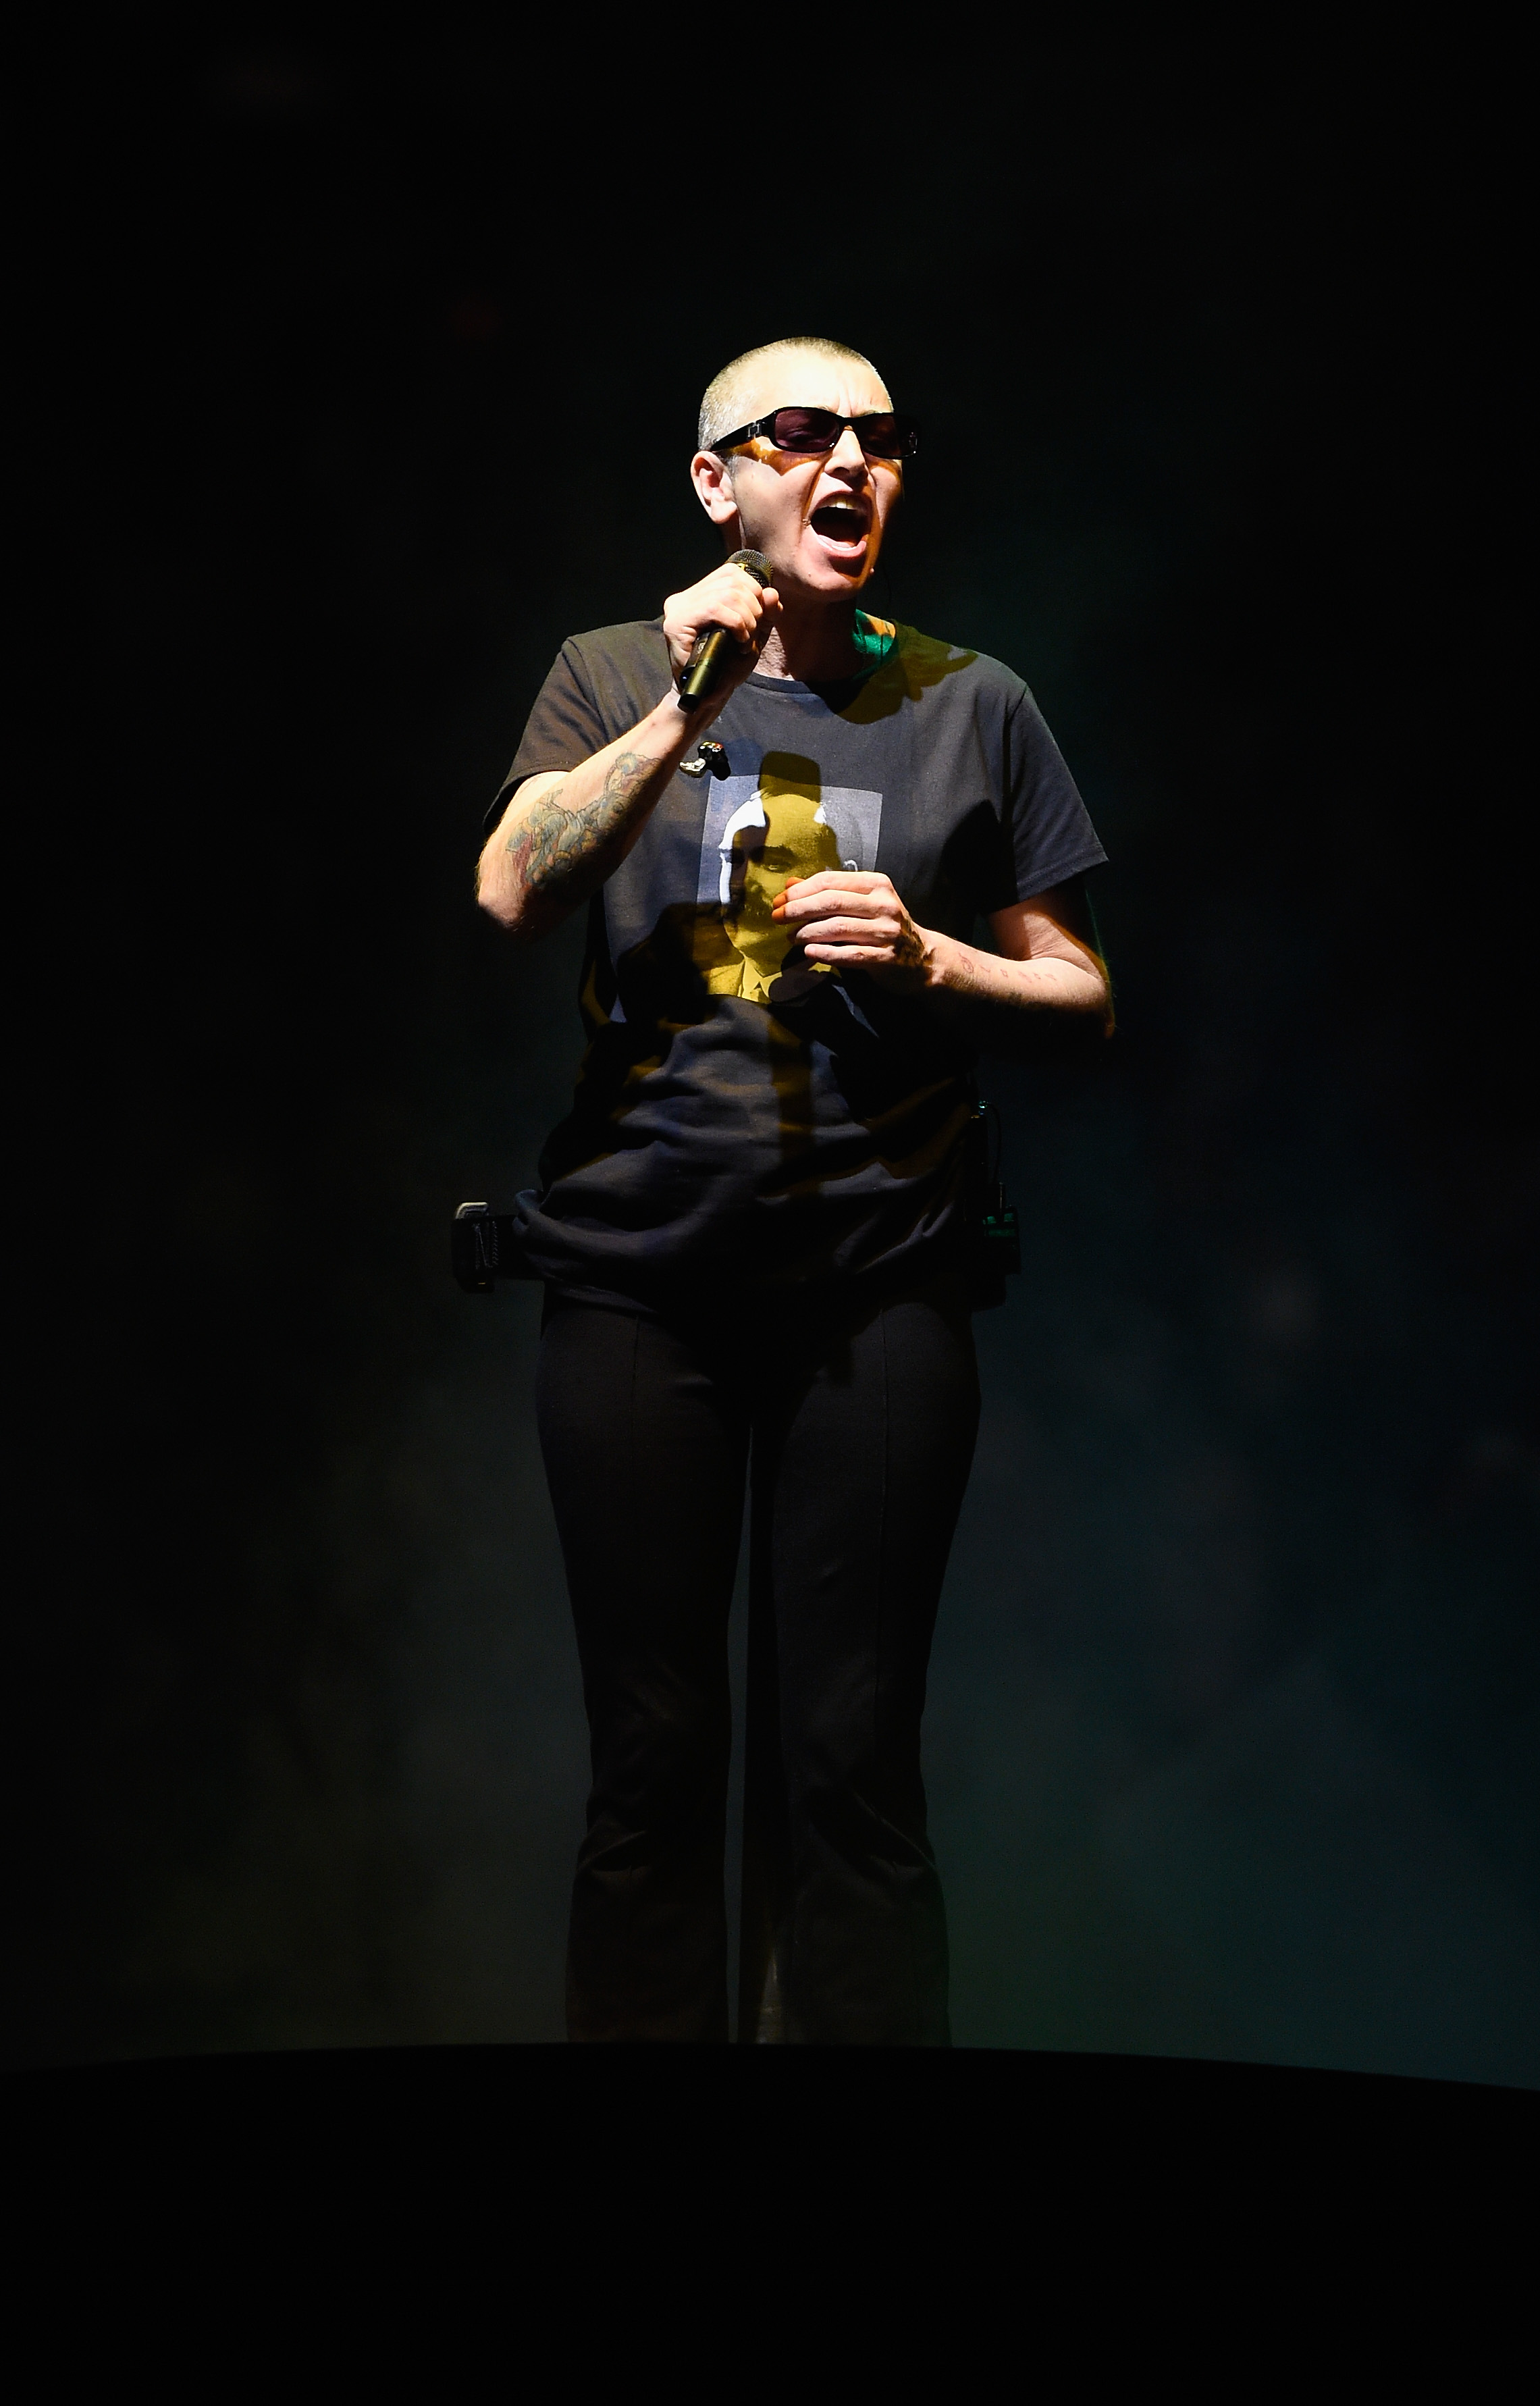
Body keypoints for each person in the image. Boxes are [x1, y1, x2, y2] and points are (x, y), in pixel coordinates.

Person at [477, 336, 1111, 2043]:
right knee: (656, 1771)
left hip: (878, 1287)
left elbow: (1082, 990)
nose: (851, 468)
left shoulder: (972, 699)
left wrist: (932, 960)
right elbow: (510, 890)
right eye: (804, 436)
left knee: (849, 1768)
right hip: (635, 1282)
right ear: (717, 484)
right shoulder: (612, 669)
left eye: (882, 443)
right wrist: (689, 704)